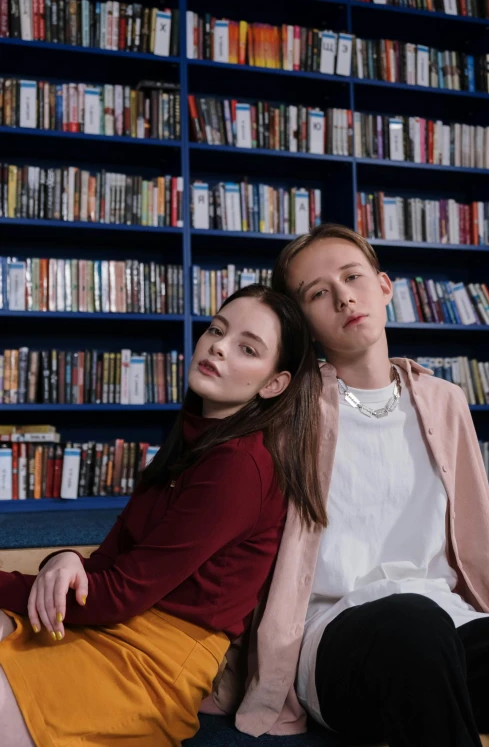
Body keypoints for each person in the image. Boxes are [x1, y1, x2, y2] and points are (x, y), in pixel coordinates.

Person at [204, 225, 489, 747]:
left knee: (427, 631)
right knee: (412, 626)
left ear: (384, 286)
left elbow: (479, 537)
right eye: (317, 293)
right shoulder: (288, 410)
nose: (343, 295)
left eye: (352, 277)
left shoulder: (445, 401)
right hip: (332, 637)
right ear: (302, 323)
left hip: (453, 629)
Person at [0, 283, 325, 747]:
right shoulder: (192, 442)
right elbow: (110, 562)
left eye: (246, 348)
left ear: (274, 384)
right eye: (217, 329)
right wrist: (66, 558)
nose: (217, 346)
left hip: (154, 664)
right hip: (114, 627)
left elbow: (121, 594)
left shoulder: (240, 464)